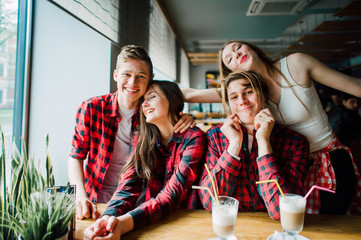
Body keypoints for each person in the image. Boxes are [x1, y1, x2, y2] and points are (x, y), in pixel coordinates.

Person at [184, 40, 361, 215]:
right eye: (230, 59)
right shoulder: (248, 92)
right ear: (233, 72)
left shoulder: (296, 64)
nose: (236, 54)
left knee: (333, 224)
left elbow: (356, 86)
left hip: (329, 160)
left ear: (252, 48)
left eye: (238, 48)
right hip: (292, 165)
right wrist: (181, 116)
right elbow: (190, 95)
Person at [68, 45, 195, 220]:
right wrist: (80, 197)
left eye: (140, 76)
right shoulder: (91, 108)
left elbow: (180, 97)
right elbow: (76, 156)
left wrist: (181, 116)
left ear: (150, 79)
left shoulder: (151, 115)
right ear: (115, 75)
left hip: (139, 200)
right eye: (126, 74)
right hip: (97, 200)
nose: (133, 83)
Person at [83, 80, 206, 239]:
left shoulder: (194, 137)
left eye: (152, 97)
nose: (144, 104)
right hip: (152, 222)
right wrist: (107, 218)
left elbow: (172, 194)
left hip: (187, 223)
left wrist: (124, 223)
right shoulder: (141, 136)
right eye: (143, 100)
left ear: (172, 100)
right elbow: (129, 183)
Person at [199, 71, 309, 220]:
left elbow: (282, 213)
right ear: (229, 105)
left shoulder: (295, 142)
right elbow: (209, 201)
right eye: (234, 97)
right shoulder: (215, 136)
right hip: (231, 225)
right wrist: (234, 146)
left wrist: (264, 142)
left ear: (262, 95)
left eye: (248, 92)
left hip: (274, 228)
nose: (242, 101)